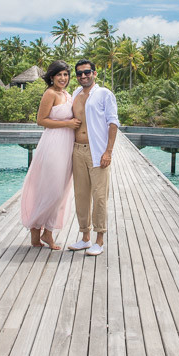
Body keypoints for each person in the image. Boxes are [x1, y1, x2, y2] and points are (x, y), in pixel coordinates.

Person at [20, 60, 81, 249]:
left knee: (61, 190)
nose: (63, 78)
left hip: (67, 145)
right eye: (59, 75)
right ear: (52, 77)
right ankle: (34, 229)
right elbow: (41, 120)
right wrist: (67, 124)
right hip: (53, 144)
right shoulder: (50, 93)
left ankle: (48, 232)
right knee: (51, 189)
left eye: (65, 75)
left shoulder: (67, 94)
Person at [67, 59, 119, 256]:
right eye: (79, 73)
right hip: (77, 150)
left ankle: (99, 239)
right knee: (81, 196)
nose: (83, 76)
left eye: (87, 72)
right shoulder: (75, 94)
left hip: (97, 152)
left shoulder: (104, 94)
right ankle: (85, 238)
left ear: (94, 73)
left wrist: (108, 152)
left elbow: (113, 123)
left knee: (99, 197)